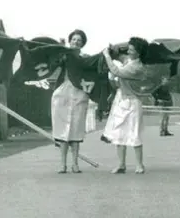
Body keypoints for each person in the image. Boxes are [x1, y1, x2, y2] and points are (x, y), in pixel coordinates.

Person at [101, 37, 151, 174]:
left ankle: (140, 165)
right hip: (122, 100)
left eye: (132, 49)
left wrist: (106, 55)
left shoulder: (137, 67)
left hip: (133, 102)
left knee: (134, 133)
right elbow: (121, 58)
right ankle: (121, 164)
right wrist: (113, 51)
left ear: (138, 53)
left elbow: (117, 71)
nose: (128, 51)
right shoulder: (130, 61)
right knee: (118, 133)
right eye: (129, 48)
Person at [51, 29, 90, 174]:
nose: (76, 42)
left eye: (79, 40)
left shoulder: (85, 58)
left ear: (82, 44)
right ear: (70, 41)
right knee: (62, 130)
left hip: (78, 94)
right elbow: (52, 62)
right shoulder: (64, 56)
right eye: (74, 39)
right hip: (63, 93)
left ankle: (75, 164)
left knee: (75, 129)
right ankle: (63, 164)